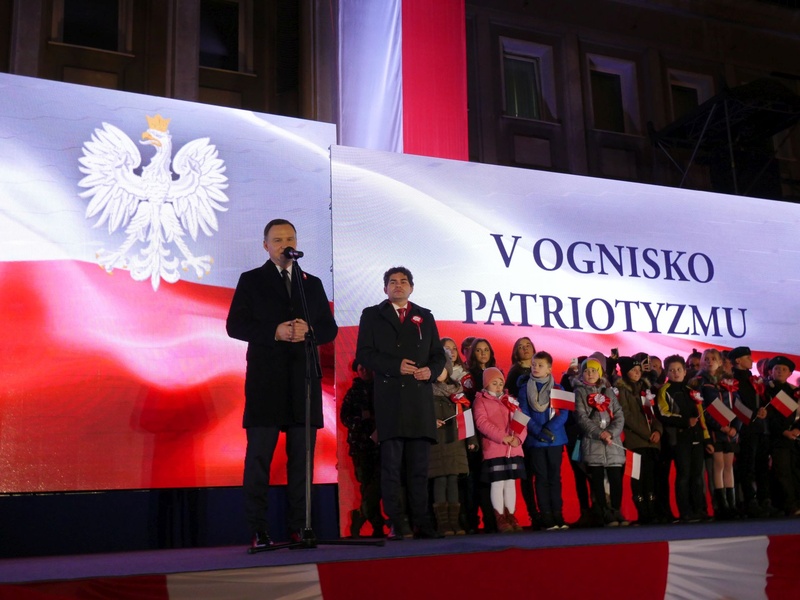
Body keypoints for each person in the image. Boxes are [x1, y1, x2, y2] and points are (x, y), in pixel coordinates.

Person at [226, 218, 338, 549]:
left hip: (303, 381)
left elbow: (329, 328)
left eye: (289, 238)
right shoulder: (251, 280)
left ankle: (301, 526)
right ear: (266, 246)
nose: (284, 244)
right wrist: (274, 331)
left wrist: (310, 331)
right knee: (259, 457)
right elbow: (235, 325)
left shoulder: (311, 283)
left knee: (302, 460)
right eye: (277, 240)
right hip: (266, 381)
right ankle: (258, 529)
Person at [355, 266, 446, 540]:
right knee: (391, 468)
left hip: (419, 400)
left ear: (411, 287)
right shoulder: (372, 315)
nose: (398, 285)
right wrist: (395, 366)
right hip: (390, 398)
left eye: (403, 281)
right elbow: (364, 354)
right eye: (392, 282)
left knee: (419, 469)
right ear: (385, 288)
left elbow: (438, 355)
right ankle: (397, 522)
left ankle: (423, 523)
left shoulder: (425, 316)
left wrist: (431, 371)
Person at [657, 355, 713, 523]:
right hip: (679, 439)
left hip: (697, 438)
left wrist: (706, 439)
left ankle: (699, 509)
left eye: (679, 369)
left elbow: (701, 416)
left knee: (697, 476)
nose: (676, 373)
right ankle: (685, 512)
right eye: (672, 370)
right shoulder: (665, 390)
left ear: (684, 371)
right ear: (667, 372)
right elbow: (663, 414)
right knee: (683, 475)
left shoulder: (691, 390)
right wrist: (684, 421)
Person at [574, 357, 627, 527]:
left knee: (615, 478)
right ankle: (604, 512)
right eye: (586, 371)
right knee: (597, 480)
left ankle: (616, 509)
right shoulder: (579, 392)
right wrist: (599, 433)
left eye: (593, 370)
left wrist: (610, 432)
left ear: (600, 373)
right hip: (593, 443)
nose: (590, 374)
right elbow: (581, 417)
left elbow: (619, 415)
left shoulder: (609, 392)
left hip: (612, 443)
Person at [518, 351, 569, 530]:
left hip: (555, 439)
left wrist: (548, 430)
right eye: (534, 365)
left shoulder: (559, 388)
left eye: (540, 365)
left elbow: (564, 414)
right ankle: (546, 516)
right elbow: (523, 413)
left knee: (555, 477)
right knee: (541, 478)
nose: (536, 368)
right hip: (535, 441)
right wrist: (538, 431)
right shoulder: (524, 389)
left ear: (549, 369)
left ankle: (558, 515)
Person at [473, 367, 527, 533]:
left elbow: (521, 420)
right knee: (497, 483)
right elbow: (482, 423)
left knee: (510, 483)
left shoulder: (510, 400)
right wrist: (502, 437)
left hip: (512, 449)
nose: (498, 386)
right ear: (486, 384)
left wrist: (518, 439)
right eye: (494, 383)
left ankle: (511, 515)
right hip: (495, 449)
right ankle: (500, 517)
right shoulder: (481, 401)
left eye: (500, 383)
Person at [688, 349, 739, 520]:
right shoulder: (699, 382)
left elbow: (737, 405)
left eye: (713, 359)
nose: (710, 361)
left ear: (720, 362)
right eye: (706, 359)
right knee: (718, 466)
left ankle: (732, 504)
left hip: (730, 430)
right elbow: (703, 409)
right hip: (715, 430)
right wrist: (721, 427)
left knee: (729, 466)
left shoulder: (728, 381)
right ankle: (721, 505)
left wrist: (735, 427)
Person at [429, 354, 474, 535]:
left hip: (455, 442)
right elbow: (419, 414)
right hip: (436, 444)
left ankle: (455, 522)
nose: (439, 372)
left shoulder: (457, 391)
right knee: (440, 481)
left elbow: (467, 414)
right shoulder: (425, 391)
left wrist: (471, 440)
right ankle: (443, 523)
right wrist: (430, 423)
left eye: (442, 368)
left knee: (453, 481)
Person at [615, 356, 663, 524]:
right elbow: (626, 416)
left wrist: (657, 430)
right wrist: (646, 433)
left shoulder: (646, 389)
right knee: (637, 478)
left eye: (639, 370)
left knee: (650, 477)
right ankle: (642, 513)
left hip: (651, 443)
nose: (637, 373)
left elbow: (654, 413)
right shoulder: (621, 391)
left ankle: (652, 511)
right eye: (633, 370)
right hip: (634, 442)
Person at [340, 359, 383, 538]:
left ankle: (361, 515)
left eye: (367, 367)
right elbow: (345, 417)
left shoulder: (382, 388)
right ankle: (376, 524)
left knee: (379, 483)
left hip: (381, 444)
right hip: (360, 446)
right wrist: (361, 419)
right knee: (366, 484)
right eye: (361, 368)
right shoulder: (353, 392)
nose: (365, 370)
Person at [729, 346, 772, 518]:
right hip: (745, 428)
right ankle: (749, 501)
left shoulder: (753, 379)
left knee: (762, 464)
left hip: (760, 428)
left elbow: (762, 399)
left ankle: (764, 499)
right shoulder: (732, 380)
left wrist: (763, 410)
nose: (752, 360)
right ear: (738, 360)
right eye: (748, 357)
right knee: (747, 466)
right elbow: (734, 403)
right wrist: (753, 414)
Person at [505, 337, 537, 526]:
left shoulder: (540, 368)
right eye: (520, 346)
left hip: (541, 427)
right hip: (524, 428)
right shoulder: (514, 373)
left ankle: (546, 511)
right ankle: (533, 513)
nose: (525, 349)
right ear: (515, 352)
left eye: (528, 345)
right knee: (527, 474)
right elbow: (511, 402)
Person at [764, 356, 800, 515]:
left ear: (790, 373)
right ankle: (789, 505)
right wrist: (783, 431)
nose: (780, 371)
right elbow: (770, 416)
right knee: (781, 471)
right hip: (776, 437)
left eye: (784, 369)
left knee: (795, 471)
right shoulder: (767, 390)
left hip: (794, 438)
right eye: (777, 369)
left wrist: (797, 429)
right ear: (771, 371)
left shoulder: (794, 391)